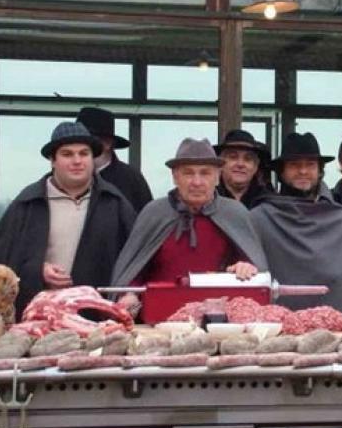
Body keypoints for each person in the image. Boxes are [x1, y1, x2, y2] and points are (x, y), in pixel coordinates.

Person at [0, 121, 136, 318]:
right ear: (52, 160)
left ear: (93, 159)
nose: (77, 161)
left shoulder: (115, 203)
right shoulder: (28, 202)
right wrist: (37, 269)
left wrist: (131, 294)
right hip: (37, 317)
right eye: (67, 154)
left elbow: (136, 260)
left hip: (97, 321)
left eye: (84, 153)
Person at [110, 138, 268, 317]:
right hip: (160, 320)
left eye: (205, 173)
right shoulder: (155, 213)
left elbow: (256, 275)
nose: (197, 182)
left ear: (217, 177)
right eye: (188, 173)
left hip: (220, 321)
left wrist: (247, 268)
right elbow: (133, 271)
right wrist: (128, 294)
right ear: (175, 177)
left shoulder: (235, 213)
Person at [250, 132, 342, 319]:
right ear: (281, 172)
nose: (303, 171)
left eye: (310, 165)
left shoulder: (340, 219)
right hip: (278, 329)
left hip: (336, 330)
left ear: (319, 171)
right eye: (295, 165)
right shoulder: (260, 218)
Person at [76, 107, 153, 212]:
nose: (79, 149)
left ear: (107, 143)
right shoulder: (62, 176)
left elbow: (147, 222)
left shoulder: (131, 179)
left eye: (88, 141)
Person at [214, 129, 271, 209]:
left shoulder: (270, 204)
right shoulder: (208, 200)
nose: (240, 164)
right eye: (233, 157)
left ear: (255, 166)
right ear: (220, 164)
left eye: (247, 159)